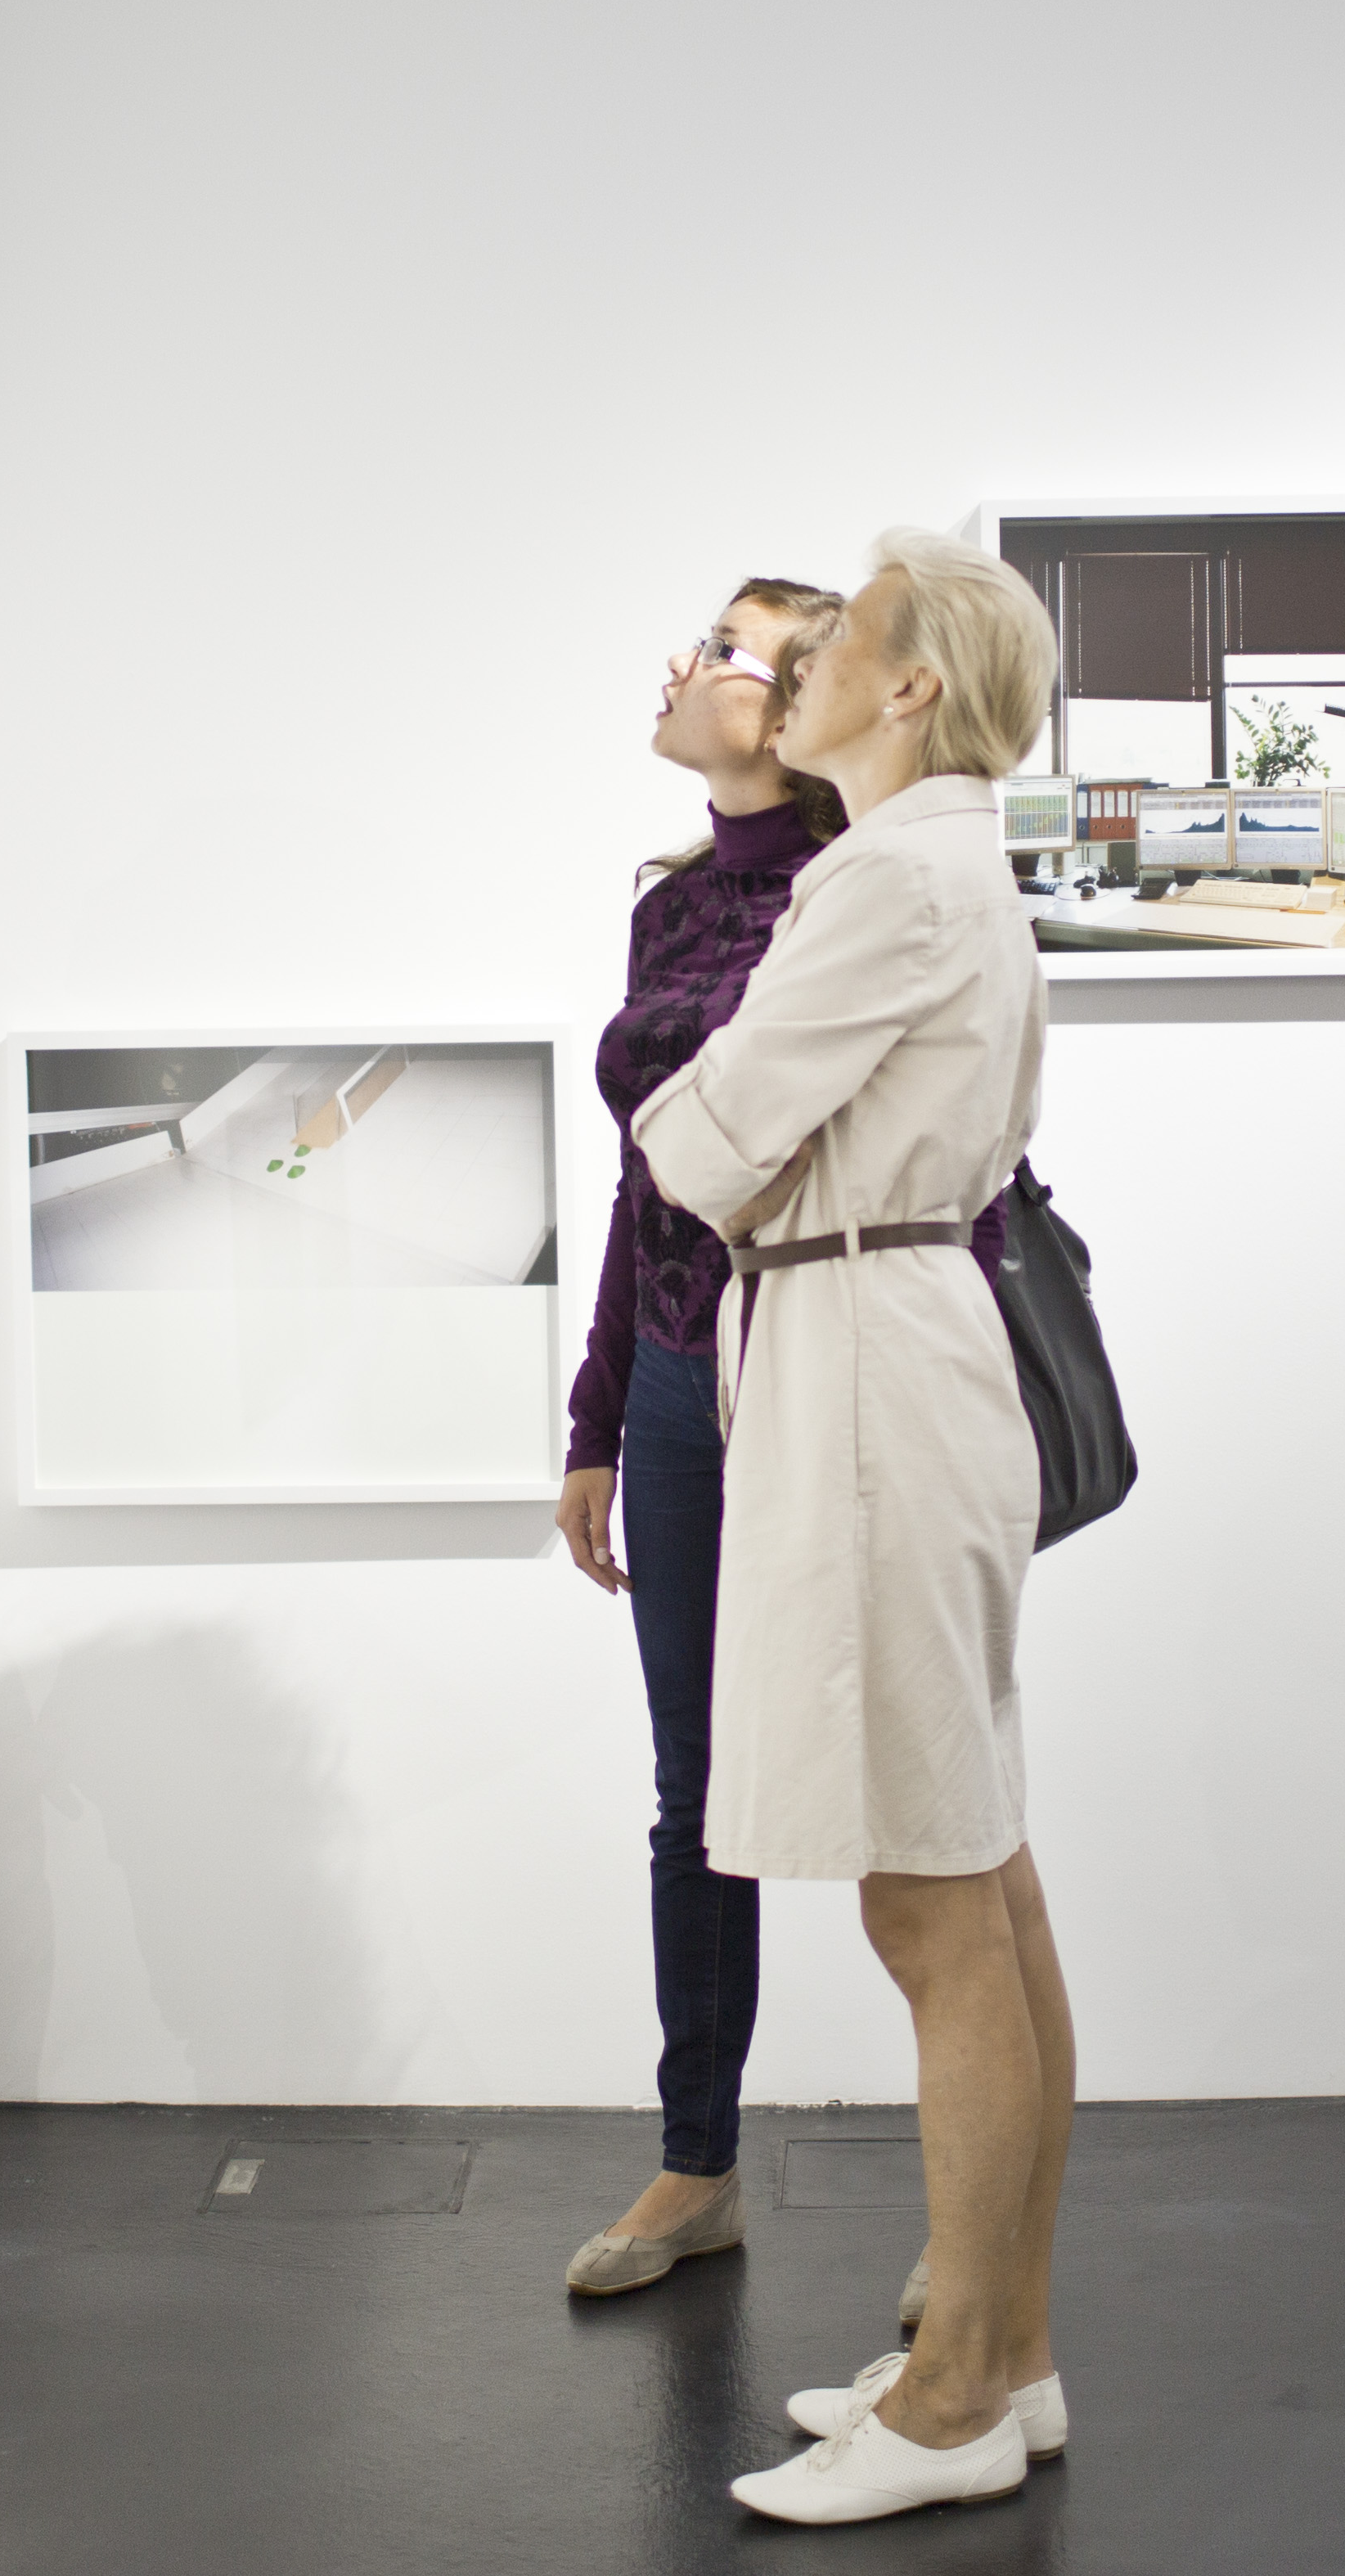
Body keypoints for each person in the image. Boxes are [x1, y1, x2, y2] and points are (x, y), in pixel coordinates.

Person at [631, 530, 1071, 2526]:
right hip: (894, 1342)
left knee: (929, 1900)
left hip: (874, 1370)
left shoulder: (888, 875)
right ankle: (1004, 2351)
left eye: (835, 647)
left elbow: (704, 1138)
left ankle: (958, 2394)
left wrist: (696, 1110)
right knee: (983, 1878)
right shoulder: (941, 863)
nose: (790, 671)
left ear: (911, 687)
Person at [551, 575, 863, 2296]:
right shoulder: (673, 909)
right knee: (697, 1790)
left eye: (723, 648)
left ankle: (976, 2211)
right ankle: (698, 2163)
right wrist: (597, 1415)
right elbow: (642, 1183)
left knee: (898, 1789)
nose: (681, 665)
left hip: (816, 1367)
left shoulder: (860, 891)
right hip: (680, 1381)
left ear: (795, 707)